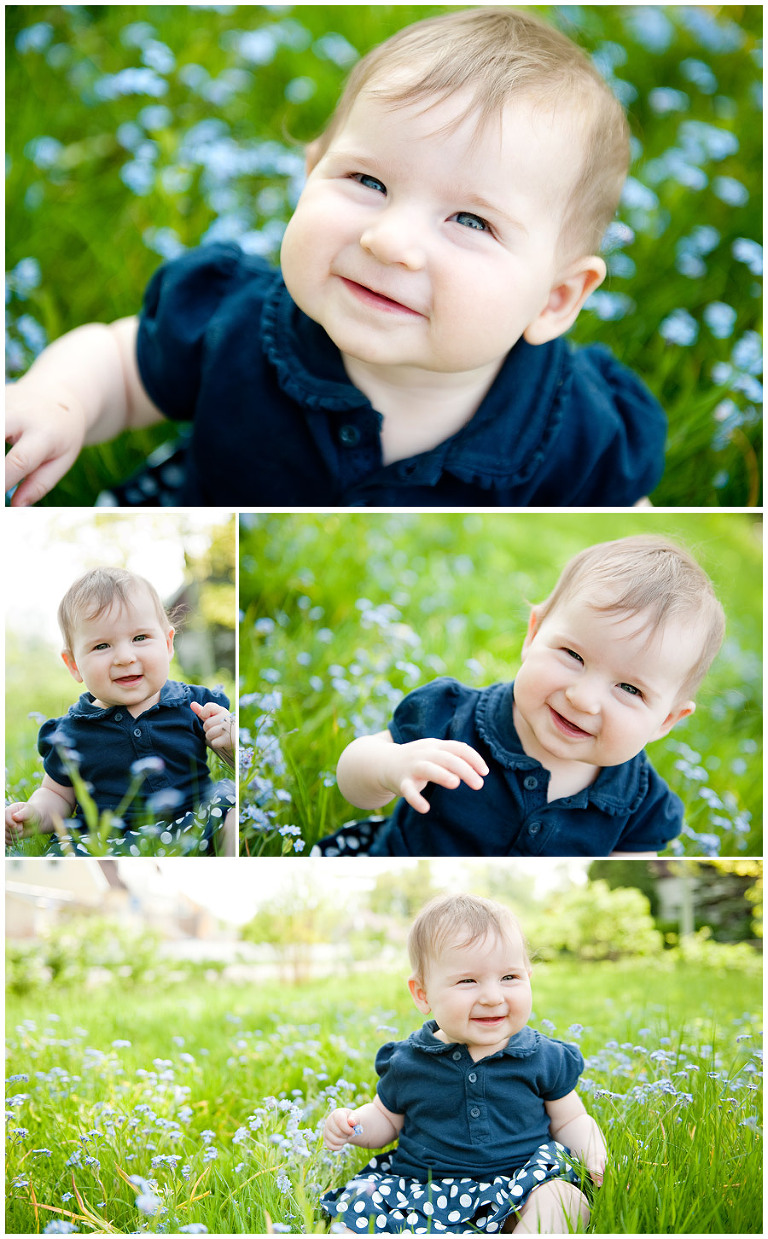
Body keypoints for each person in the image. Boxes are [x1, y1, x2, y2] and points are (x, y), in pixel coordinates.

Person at [6, 7, 665, 508]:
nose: (390, 241)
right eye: (367, 183)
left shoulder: (580, 431)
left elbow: (626, 519)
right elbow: (123, 369)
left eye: (470, 220)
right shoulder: (232, 317)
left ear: (555, 299)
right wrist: (59, 399)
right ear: (311, 171)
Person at [324, 536, 725, 857]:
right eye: (573, 655)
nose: (583, 699)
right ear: (533, 635)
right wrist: (389, 765)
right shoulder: (450, 716)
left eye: (630, 689)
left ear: (667, 721)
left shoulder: (642, 805)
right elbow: (352, 781)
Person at [321, 893, 606, 1234]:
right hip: (424, 1194)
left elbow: (571, 1118)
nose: (492, 996)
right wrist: (353, 1125)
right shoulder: (409, 1062)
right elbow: (385, 1119)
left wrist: (591, 1154)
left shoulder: (542, 1056)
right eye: (468, 981)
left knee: (565, 1201)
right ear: (422, 994)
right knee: (363, 1210)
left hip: (521, 1186)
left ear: (529, 977)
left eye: (510, 978)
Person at [4, 567, 237, 856]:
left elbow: (243, 767)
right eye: (102, 645)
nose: (125, 657)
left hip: (196, 822)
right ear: (74, 665)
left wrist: (230, 744)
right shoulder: (70, 732)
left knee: (233, 815)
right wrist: (35, 815)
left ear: (167, 644)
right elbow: (56, 795)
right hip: (113, 845)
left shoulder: (194, 704)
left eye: (140, 638)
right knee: (65, 855)